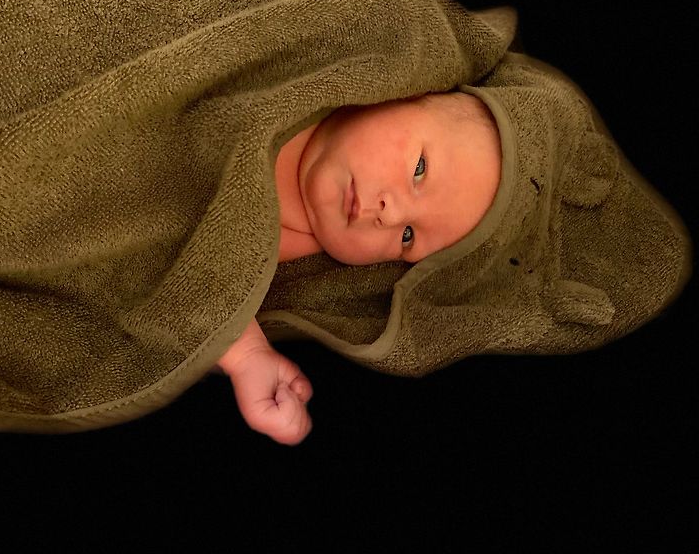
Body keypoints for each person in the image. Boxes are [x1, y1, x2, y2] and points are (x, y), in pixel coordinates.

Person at [213, 91, 502, 445]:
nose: (391, 214)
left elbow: (204, 267)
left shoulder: (291, 239)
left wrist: (247, 357)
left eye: (407, 236)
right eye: (419, 169)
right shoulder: (301, 83)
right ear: (399, 93)